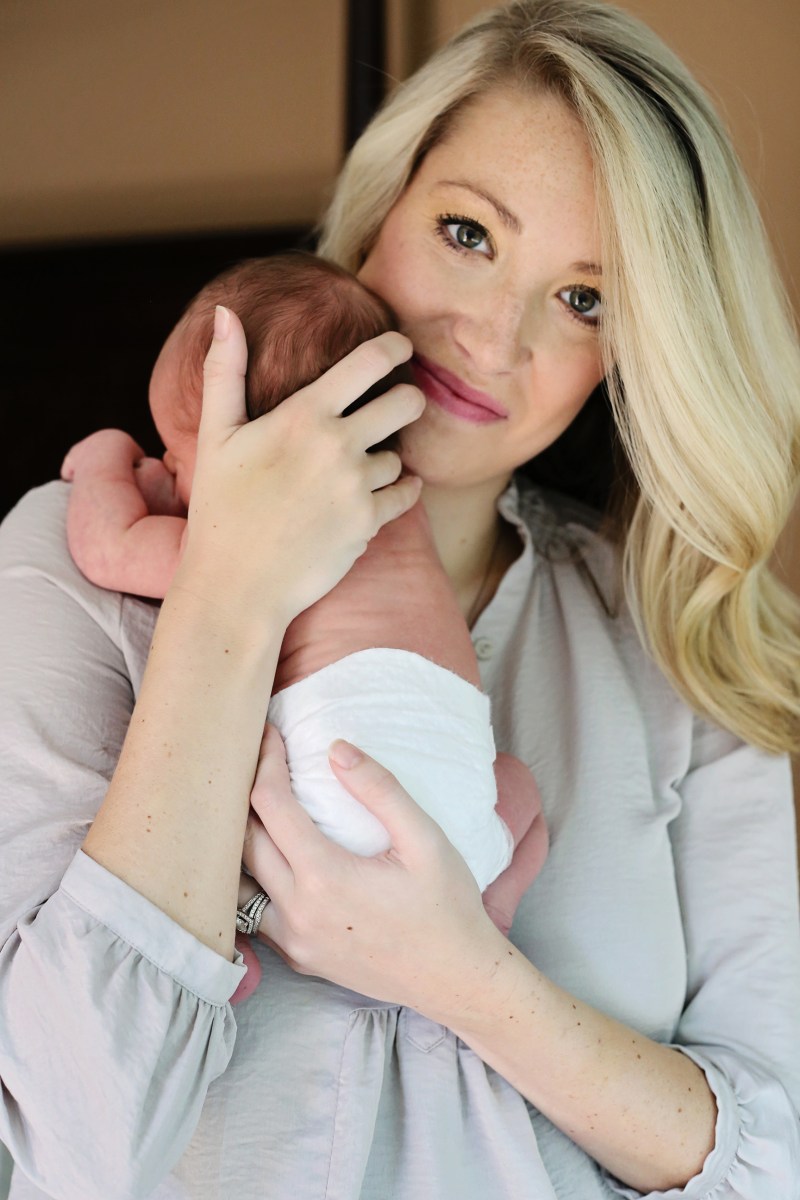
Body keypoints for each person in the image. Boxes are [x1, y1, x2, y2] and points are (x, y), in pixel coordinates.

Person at [1, 1, 799, 1197]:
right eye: (467, 233)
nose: (492, 333)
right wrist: (230, 596)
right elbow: (72, 1149)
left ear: (632, 354)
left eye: (584, 299)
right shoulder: (72, 567)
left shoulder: (681, 657)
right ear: (381, 211)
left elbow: (769, 1164)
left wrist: (458, 971)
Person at [60, 253, 547, 949]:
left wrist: (105, 455)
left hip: (325, 799)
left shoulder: (253, 538)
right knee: (519, 785)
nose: (164, 466)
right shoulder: (403, 501)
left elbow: (110, 549)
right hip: (466, 826)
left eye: (179, 453)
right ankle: (488, 912)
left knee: (215, 772)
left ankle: (238, 938)